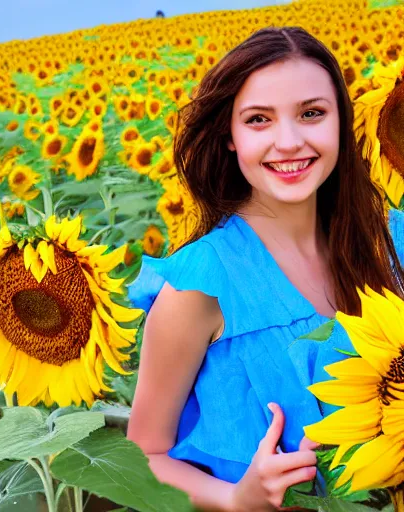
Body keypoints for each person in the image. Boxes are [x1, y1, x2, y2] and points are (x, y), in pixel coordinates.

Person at [126, 26, 404, 512]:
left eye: (312, 113)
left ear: (341, 121)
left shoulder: (391, 242)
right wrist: (236, 499)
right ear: (229, 137)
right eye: (258, 120)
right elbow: (141, 454)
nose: (290, 141)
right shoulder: (202, 285)